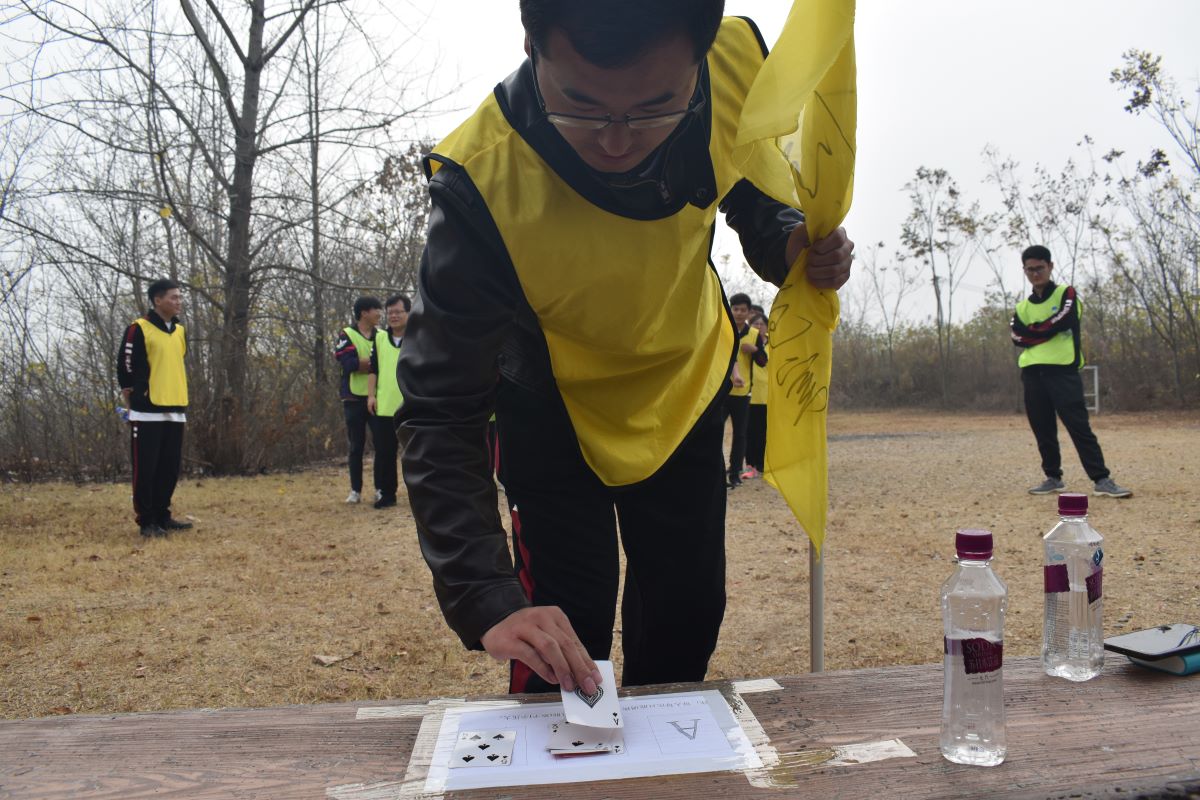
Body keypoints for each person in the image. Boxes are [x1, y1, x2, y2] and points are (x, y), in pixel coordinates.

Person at [397, 0, 854, 697]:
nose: (616, 141)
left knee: (687, 614)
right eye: (580, 106)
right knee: (563, 632)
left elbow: (750, 186)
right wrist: (484, 594)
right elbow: (439, 406)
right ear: (532, 44)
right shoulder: (480, 183)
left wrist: (790, 242)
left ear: (699, 61)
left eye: (654, 108)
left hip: (686, 384)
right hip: (553, 413)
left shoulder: (735, 62)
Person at [1011, 245, 1132, 498]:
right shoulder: (1022, 307)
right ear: (1024, 270)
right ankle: (1053, 477)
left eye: (1040, 268)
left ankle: (1102, 479)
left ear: (1050, 267)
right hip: (1033, 373)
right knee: (1042, 428)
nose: (1035, 274)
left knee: (1079, 427)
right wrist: (1044, 331)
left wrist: (1035, 332)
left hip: (1063, 371)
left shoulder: (1066, 293)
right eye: (1030, 269)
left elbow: (1063, 320)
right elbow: (1016, 336)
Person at [116, 279, 193, 538]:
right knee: (146, 468)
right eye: (173, 297)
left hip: (175, 408)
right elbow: (125, 366)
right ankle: (147, 521)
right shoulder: (138, 329)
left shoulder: (180, 330)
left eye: (180, 297)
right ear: (157, 300)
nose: (178, 302)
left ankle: (163, 515)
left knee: (169, 468)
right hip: (147, 410)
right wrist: (134, 395)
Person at [334, 296, 382, 504]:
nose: (380, 313)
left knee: (382, 445)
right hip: (353, 398)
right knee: (356, 446)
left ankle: (382, 487)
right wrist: (373, 363)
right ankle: (355, 490)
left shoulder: (382, 335)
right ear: (364, 312)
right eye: (376, 309)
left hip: (378, 398)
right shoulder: (347, 334)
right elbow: (348, 363)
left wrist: (367, 363)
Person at [367, 294, 410, 510]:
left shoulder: (418, 337)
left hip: (412, 406)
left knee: (415, 455)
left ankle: (420, 494)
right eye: (390, 312)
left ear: (408, 314)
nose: (393, 316)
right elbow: (373, 369)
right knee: (384, 454)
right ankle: (387, 493)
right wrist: (371, 395)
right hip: (384, 407)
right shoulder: (379, 338)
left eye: (398, 312)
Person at [724, 292, 766, 487]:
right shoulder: (723, 329)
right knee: (715, 432)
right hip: (721, 391)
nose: (739, 313)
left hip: (742, 393)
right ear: (730, 310)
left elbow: (763, 361)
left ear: (749, 312)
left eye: (743, 310)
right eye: (736, 309)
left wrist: (756, 350)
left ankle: (735, 473)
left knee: (740, 434)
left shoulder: (754, 334)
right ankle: (717, 472)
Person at [743, 312, 769, 479]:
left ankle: (763, 464)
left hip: (768, 395)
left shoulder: (774, 344)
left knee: (764, 432)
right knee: (748, 432)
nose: (759, 327)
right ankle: (750, 464)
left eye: (761, 324)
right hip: (749, 393)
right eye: (755, 324)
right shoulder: (745, 343)